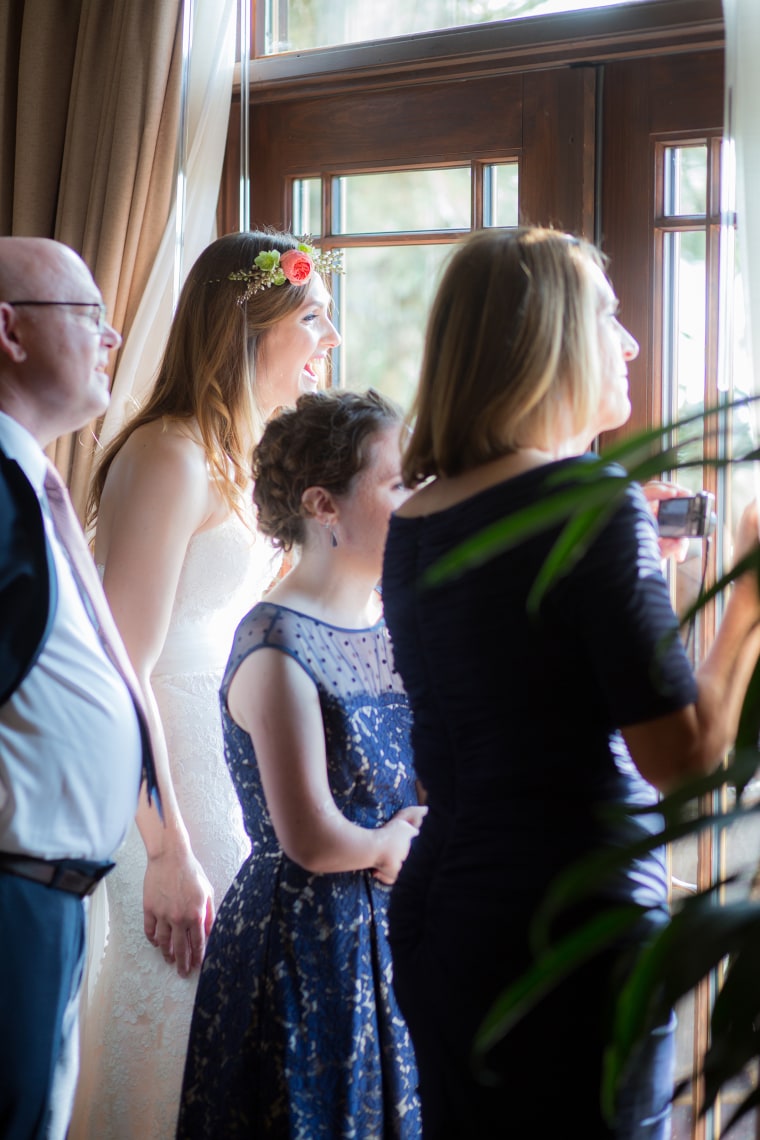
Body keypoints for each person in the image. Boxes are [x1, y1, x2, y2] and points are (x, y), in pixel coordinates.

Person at [380, 226, 760, 1139]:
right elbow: (688, 754)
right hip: (568, 927)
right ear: (544, 337)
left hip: (440, 908)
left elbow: (506, 688)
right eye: (608, 315)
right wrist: (746, 597)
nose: (629, 343)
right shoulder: (588, 502)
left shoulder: (416, 515)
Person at [70, 232, 342, 1139]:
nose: (328, 341)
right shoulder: (169, 457)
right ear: (248, 325)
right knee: (166, 1027)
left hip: (223, 783)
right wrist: (163, 846)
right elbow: (122, 662)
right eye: (313, 318)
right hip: (167, 796)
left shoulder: (240, 457)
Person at [177, 388, 426, 1139]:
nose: (417, 499)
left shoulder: (392, 622)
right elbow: (311, 836)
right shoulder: (277, 643)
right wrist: (391, 846)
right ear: (324, 505)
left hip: (392, 927)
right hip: (309, 944)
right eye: (398, 482)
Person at [0, 237, 159, 1140]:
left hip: (49, 893)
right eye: (90, 315)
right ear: (10, 332)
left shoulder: (35, 477)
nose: (113, 334)